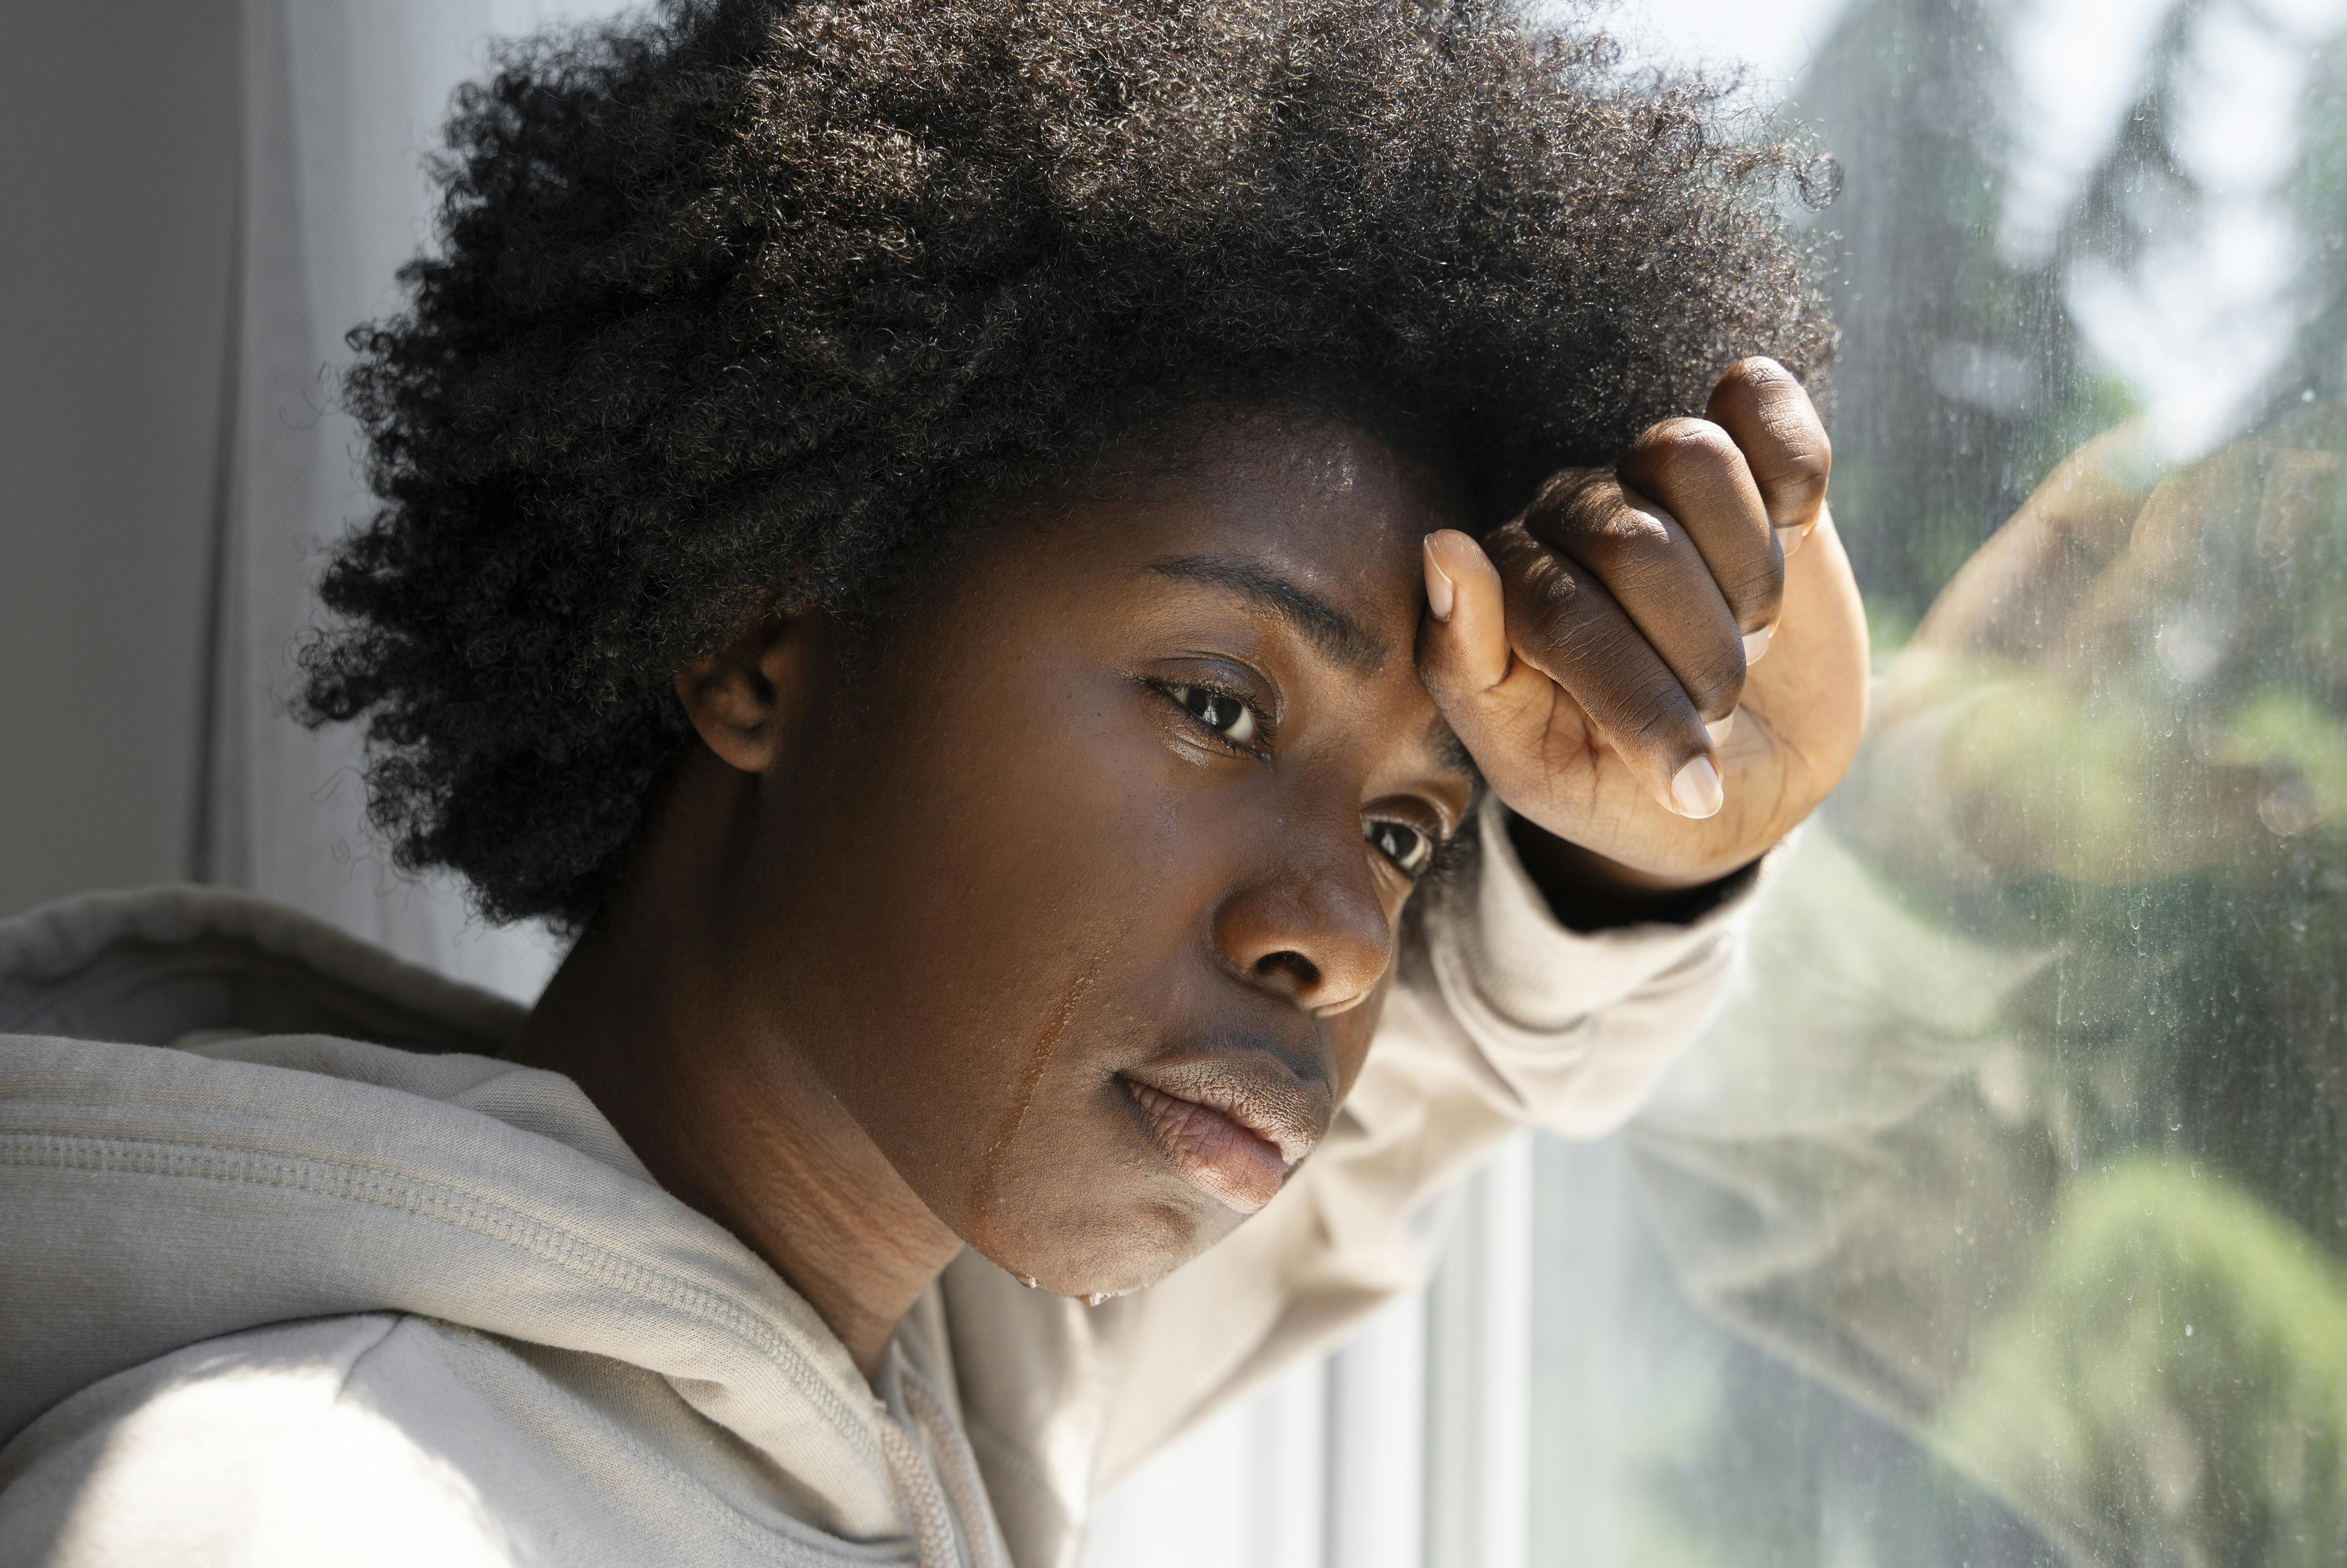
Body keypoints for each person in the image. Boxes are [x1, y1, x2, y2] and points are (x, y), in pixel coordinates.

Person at [0, 1, 1869, 1564]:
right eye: (1216, 705)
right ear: (758, 648)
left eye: (1403, 832)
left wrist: (1672, 826)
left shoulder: (932, 1372)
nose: (1342, 941)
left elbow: (1452, 1072)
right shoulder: (298, 1514)